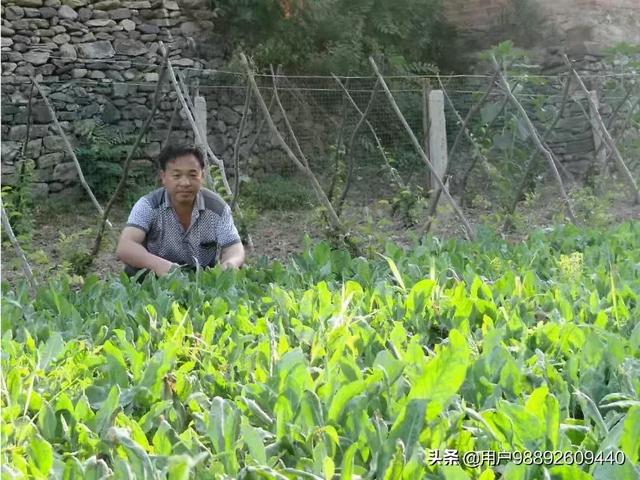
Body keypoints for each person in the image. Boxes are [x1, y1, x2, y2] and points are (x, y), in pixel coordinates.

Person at [116, 144, 245, 277]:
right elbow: (125, 246)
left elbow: (234, 247)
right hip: (155, 277)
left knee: (237, 271)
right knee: (133, 271)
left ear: (202, 176)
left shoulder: (217, 208)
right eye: (177, 176)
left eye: (192, 175)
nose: (185, 183)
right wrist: (162, 266)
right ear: (163, 177)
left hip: (200, 280)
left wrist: (230, 263)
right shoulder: (148, 205)